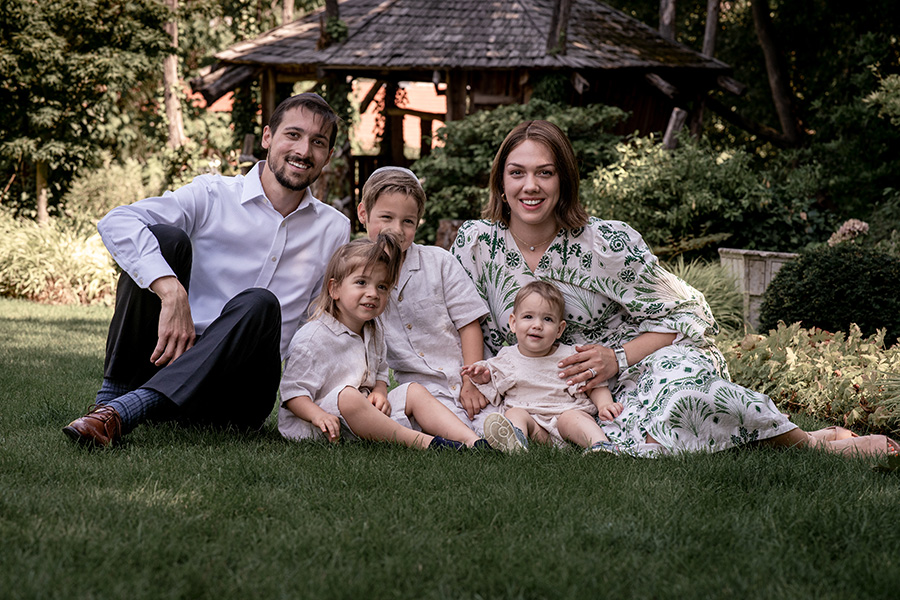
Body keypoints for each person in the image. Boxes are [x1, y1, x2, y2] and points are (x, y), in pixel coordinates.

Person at [452, 119, 900, 459]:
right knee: (648, 443)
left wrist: (618, 357)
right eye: (517, 173)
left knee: (687, 401)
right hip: (525, 386)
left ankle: (812, 444)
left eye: (545, 173)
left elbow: (688, 313)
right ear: (501, 180)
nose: (530, 186)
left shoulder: (606, 241)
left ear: (564, 180)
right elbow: (460, 316)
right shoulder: (476, 243)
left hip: (631, 372)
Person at [63, 93, 351, 447]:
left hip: (239, 393)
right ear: (267, 138)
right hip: (167, 356)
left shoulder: (334, 228)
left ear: (328, 156)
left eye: (317, 142)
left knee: (260, 303)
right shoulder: (213, 194)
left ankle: (123, 411)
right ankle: (114, 396)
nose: (304, 151)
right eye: (293, 135)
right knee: (165, 240)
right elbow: (117, 221)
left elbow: (318, 321)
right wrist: (171, 290)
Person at [277, 233, 491, 451]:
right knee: (348, 396)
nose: (373, 293)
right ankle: (427, 443)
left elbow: (380, 374)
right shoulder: (312, 338)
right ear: (335, 289)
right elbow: (293, 394)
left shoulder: (374, 329)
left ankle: (472, 441)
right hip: (319, 424)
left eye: (382, 287)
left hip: (364, 413)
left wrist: (379, 392)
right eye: (361, 283)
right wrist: (318, 416)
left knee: (413, 390)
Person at [355, 166, 499, 434]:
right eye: (386, 217)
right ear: (363, 213)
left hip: (468, 375)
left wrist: (470, 382)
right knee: (406, 414)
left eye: (408, 222)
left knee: (490, 411)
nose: (397, 230)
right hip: (420, 389)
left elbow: (468, 324)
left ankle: (497, 428)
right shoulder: (357, 278)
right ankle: (471, 436)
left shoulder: (439, 262)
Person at [461, 281, 624, 453]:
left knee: (572, 418)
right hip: (534, 429)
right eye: (528, 317)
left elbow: (593, 384)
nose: (537, 325)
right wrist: (481, 376)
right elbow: (493, 383)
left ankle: (600, 446)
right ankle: (515, 441)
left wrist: (604, 404)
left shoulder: (569, 356)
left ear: (559, 329)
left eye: (547, 319)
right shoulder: (507, 358)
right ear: (513, 323)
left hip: (566, 420)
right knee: (515, 413)